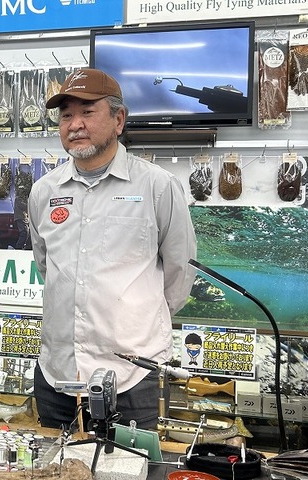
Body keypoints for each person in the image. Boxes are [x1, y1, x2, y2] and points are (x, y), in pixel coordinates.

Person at [28, 69, 197, 431]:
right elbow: (47, 266)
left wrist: (138, 317)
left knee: (128, 463)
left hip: (130, 376)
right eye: (66, 115)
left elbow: (181, 270)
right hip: (58, 375)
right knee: (54, 462)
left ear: (119, 120)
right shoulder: (44, 192)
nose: (75, 125)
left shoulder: (157, 186)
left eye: (87, 112)